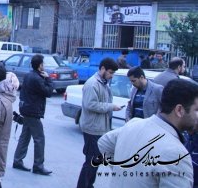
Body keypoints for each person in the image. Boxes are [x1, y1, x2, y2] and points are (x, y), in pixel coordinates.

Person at [97, 79, 197, 187]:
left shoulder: (134, 124)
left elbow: (104, 142)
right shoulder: (177, 154)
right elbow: (104, 143)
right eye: (196, 110)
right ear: (179, 110)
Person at [76, 57, 121, 188]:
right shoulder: (92, 84)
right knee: (91, 160)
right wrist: (110, 106)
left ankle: (88, 184)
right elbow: (91, 104)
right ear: (102, 69)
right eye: (110, 72)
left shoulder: (103, 83)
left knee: (95, 160)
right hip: (92, 128)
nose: (111, 76)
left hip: (100, 127)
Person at [13, 54, 54, 175]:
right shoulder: (37, 78)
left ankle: (17, 160)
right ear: (40, 65)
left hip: (26, 109)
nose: (44, 66)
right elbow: (48, 92)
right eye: (43, 64)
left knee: (25, 136)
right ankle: (38, 165)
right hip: (32, 111)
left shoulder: (29, 75)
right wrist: (48, 79)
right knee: (39, 138)